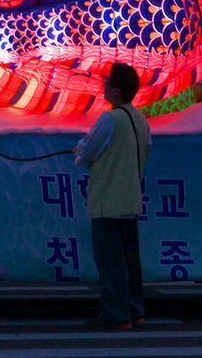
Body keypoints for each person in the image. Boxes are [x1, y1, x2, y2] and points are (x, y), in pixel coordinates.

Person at [74, 62, 152, 331]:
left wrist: (79, 152)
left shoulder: (109, 119)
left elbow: (87, 150)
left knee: (110, 261)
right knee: (130, 260)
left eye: (107, 83)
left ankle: (116, 314)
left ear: (117, 91)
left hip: (108, 199)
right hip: (130, 198)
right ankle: (135, 310)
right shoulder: (140, 119)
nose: (103, 86)